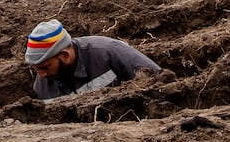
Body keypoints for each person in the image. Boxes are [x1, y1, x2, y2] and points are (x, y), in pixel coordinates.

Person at [24, 19, 161, 100]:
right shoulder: (42, 86)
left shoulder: (107, 52)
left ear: (64, 55)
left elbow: (159, 81)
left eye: (45, 67)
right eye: (37, 69)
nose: (41, 75)